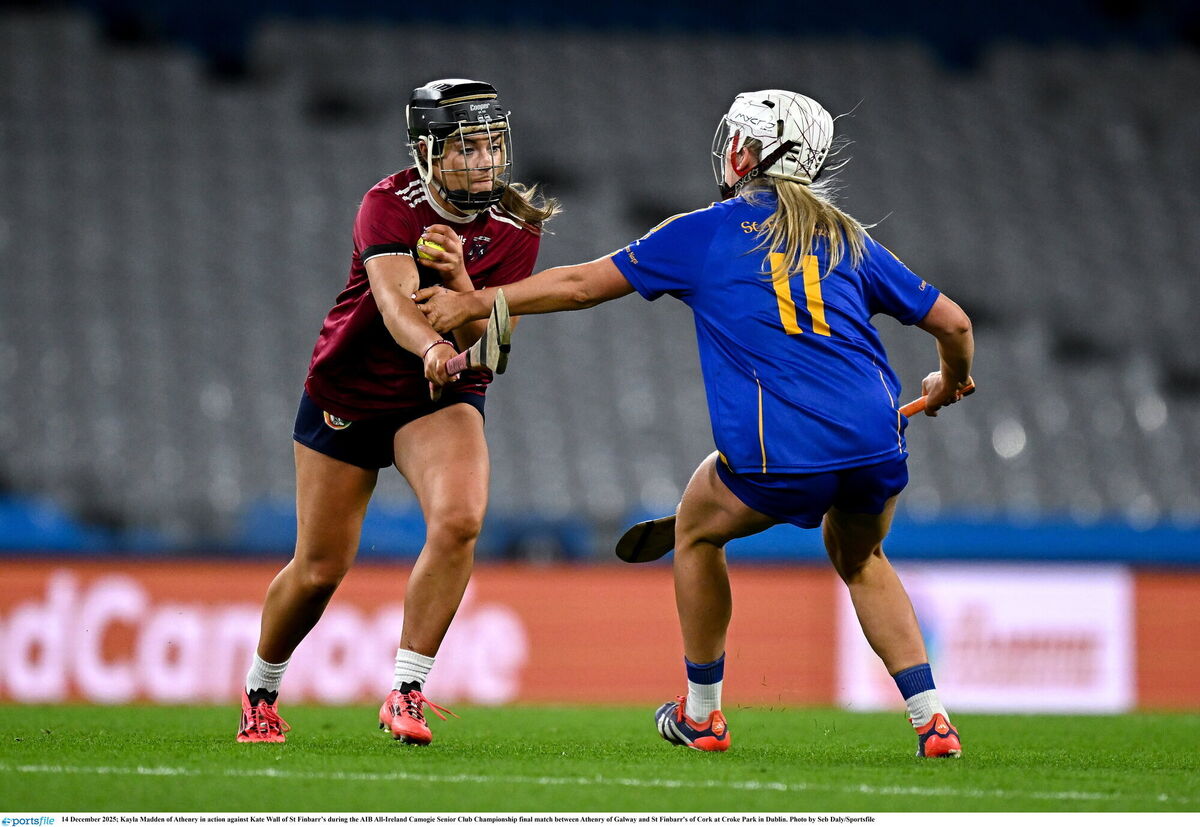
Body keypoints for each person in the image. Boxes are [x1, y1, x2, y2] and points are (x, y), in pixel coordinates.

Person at [419, 89, 973, 758]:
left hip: (784, 453)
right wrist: (948, 379)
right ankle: (932, 719)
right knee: (862, 558)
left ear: (750, 151)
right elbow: (955, 323)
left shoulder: (703, 232)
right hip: (878, 443)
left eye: (737, 138)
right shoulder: (847, 236)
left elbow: (580, 285)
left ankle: (703, 713)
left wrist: (476, 300)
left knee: (697, 526)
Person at [237, 78, 559, 745]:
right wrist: (433, 342)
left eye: (492, 147)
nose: (484, 163)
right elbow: (392, 302)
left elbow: (491, 343)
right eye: (466, 149)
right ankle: (261, 690)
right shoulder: (388, 203)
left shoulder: (515, 226)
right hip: (351, 389)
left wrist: (465, 296)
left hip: (436, 396)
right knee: (320, 567)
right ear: (426, 152)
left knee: (461, 518)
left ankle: (407, 689)